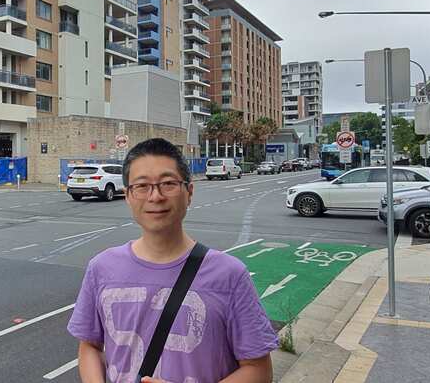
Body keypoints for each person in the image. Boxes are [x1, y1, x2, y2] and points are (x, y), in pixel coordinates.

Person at [68, 138, 276, 383]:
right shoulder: (101, 268)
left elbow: (259, 370)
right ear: (128, 196)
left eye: (168, 184)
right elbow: (90, 346)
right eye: (142, 186)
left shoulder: (229, 275)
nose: (155, 196)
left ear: (189, 193)